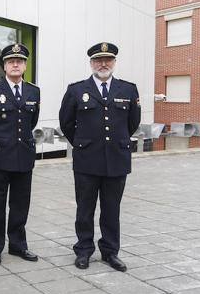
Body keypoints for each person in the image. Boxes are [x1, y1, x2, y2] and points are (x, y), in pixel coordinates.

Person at [59, 42, 141, 272]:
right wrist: (83, 143)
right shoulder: (76, 90)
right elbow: (66, 122)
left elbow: (132, 123)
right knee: (84, 208)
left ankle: (110, 252)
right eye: (98, 60)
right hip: (87, 160)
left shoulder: (127, 89)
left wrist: (117, 141)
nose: (103, 64)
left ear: (114, 62)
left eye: (108, 59)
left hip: (117, 159)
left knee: (111, 208)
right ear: (91, 63)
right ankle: (84, 250)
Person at [0, 43, 40, 265]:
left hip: (24, 157)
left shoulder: (34, 91)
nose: (15, 64)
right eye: (11, 61)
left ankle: (17, 245)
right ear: (4, 65)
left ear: (24, 65)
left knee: (21, 204)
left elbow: (31, 122)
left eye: (20, 61)